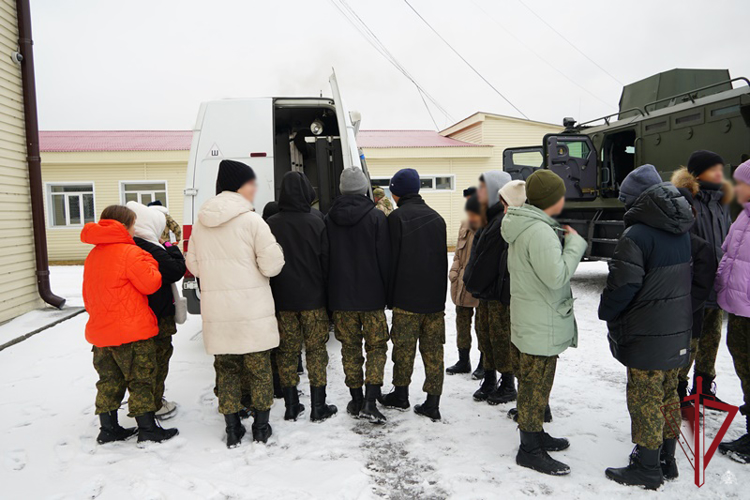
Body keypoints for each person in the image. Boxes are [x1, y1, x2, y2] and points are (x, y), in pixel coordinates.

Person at [598, 165, 693, 489]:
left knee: (645, 398)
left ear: (636, 200)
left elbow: (623, 286)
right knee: (668, 394)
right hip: (676, 330)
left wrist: (606, 310)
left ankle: (648, 467)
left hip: (646, 333)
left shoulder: (636, 235)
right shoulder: (680, 228)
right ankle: (668, 459)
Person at [186, 159, 285, 447]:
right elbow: (272, 266)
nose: (254, 189)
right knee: (259, 370)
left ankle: (232, 429)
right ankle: (262, 428)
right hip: (252, 311)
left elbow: (194, 265)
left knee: (226, 370)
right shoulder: (253, 221)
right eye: (250, 183)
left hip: (218, 313)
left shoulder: (202, 224)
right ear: (239, 186)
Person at [501, 169, 587, 476]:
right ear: (552, 200)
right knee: (535, 386)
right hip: (540, 322)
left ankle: (535, 435)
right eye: (560, 195)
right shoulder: (538, 232)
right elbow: (556, 277)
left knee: (534, 383)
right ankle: (529, 449)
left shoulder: (530, 225)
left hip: (534, 318)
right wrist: (575, 245)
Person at [81, 205, 179, 445]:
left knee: (109, 380)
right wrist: (150, 260)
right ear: (124, 226)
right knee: (141, 379)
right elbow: (151, 284)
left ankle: (108, 428)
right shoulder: (130, 252)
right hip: (132, 330)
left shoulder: (94, 254)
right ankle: (147, 429)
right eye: (133, 224)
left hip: (101, 331)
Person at [267, 171, 337, 423]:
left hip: (283, 300)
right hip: (313, 300)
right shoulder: (318, 221)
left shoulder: (270, 224)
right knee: (316, 351)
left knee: (286, 352)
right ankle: (319, 406)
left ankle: (291, 405)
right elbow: (327, 262)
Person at [379, 168, 448, 421]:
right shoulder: (438, 219)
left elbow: (389, 260)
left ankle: (401, 394)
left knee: (404, 350)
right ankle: (433, 402)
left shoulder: (396, 219)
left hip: (406, 299)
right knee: (433, 352)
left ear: (396, 192)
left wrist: (388, 296)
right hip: (433, 301)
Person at [327, 167, 390, 424]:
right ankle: (370, 401)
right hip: (372, 297)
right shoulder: (376, 218)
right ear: (364, 187)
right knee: (376, 347)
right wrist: (387, 292)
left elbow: (326, 260)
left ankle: (355, 399)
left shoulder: (329, 219)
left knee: (350, 348)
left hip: (342, 299)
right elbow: (385, 259)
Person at [672, 150, 733, 405]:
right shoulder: (686, 201)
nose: (719, 172)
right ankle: (678, 390)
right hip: (694, 285)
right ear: (697, 173)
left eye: (720, 167)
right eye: (713, 168)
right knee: (690, 341)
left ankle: (704, 389)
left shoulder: (720, 203)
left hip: (717, 285)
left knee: (712, 337)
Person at [127, 201, 187, 421]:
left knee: (142, 363)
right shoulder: (148, 246)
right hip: (156, 314)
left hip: (139, 313)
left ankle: (145, 404)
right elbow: (176, 269)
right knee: (157, 359)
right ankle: (154, 404)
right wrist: (171, 247)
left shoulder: (130, 245)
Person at [464, 171, 516, 406]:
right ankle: (489, 378)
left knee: (499, 337)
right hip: (486, 292)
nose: (480, 193)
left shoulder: (502, 221)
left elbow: (487, 261)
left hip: (496, 292)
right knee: (484, 335)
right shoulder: (490, 218)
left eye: (484, 189)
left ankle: (507, 383)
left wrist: (472, 281)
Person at [716, 159, 750, 463]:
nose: (736, 187)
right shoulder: (744, 217)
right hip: (740, 309)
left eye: (741, 183)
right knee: (744, 367)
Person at [675, 187, 717, 408]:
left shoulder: (699, 247)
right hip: (674, 319)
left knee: (687, 354)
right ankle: (678, 393)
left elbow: (701, 287)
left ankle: (682, 392)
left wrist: (684, 309)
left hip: (690, 317)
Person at [445, 195, 481, 375]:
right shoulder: (464, 225)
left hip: (480, 285)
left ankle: (484, 363)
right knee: (462, 323)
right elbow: (458, 255)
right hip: (461, 283)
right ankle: (463, 360)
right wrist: (454, 272)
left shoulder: (488, 227)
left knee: (482, 326)